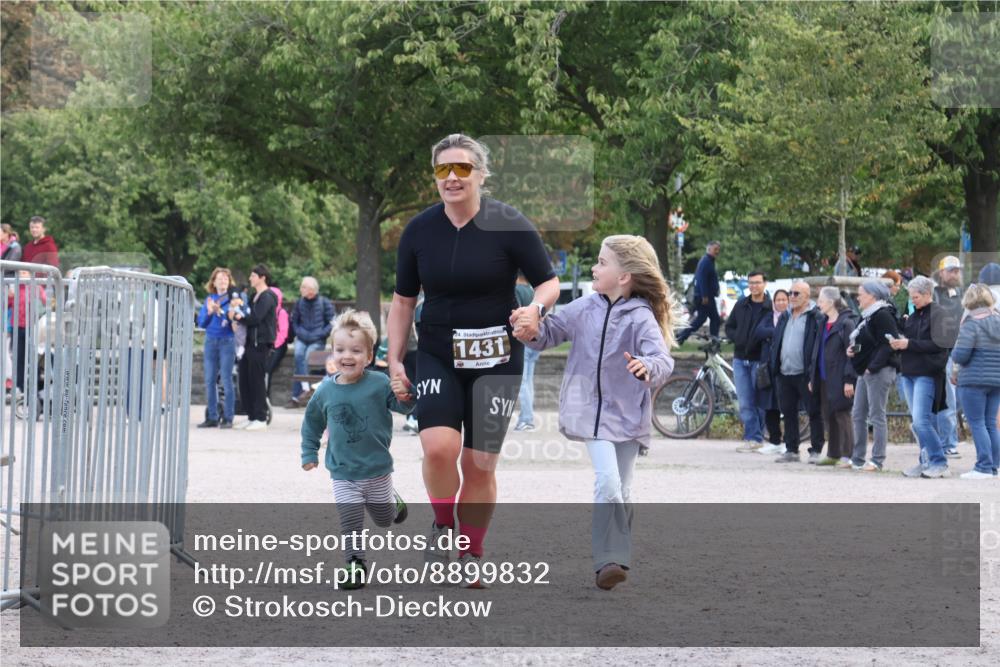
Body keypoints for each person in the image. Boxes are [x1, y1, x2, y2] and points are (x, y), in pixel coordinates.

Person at [386, 133, 559, 585]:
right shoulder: (420, 231)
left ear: (481, 174)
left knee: (479, 464)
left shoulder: (510, 223)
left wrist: (534, 310)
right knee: (439, 449)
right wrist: (396, 361)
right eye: (443, 170)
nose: (452, 178)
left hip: (497, 358)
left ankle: (472, 551)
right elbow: (404, 301)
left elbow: (549, 283)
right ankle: (443, 525)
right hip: (439, 352)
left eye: (462, 168)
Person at [515, 234, 674, 590]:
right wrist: (529, 328)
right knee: (608, 482)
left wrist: (647, 366)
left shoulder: (641, 316)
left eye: (602, 262)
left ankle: (616, 557)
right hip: (591, 415)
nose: (594, 266)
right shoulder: (584, 307)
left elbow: (663, 360)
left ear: (625, 276)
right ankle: (608, 560)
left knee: (624, 488)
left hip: (629, 415)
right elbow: (550, 333)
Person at [301, 309, 413, 587]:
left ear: (370, 356)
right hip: (343, 471)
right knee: (350, 519)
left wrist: (406, 393)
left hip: (377, 470)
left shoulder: (379, 383)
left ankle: (392, 501)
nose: (347, 356)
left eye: (355, 350)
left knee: (385, 520)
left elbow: (404, 406)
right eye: (339, 350)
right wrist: (309, 452)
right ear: (332, 353)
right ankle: (355, 564)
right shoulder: (325, 391)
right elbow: (312, 422)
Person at [890, 276, 950, 478]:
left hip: (927, 374)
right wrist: (899, 343)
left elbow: (940, 345)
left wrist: (908, 344)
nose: (912, 300)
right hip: (909, 372)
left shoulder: (940, 314)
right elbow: (911, 340)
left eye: (915, 297)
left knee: (920, 421)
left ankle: (939, 461)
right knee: (921, 421)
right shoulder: (914, 315)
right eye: (911, 297)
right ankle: (925, 461)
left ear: (927, 295)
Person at [847, 280, 900, 472]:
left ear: (873, 296)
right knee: (858, 414)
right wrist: (853, 350)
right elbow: (867, 343)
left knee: (877, 415)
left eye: (861, 293)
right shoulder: (867, 317)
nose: (858, 297)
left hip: (879, 370)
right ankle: (858, 458)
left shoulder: (883, 315)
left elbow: (888, 344)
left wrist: (872, 367)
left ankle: (877, 460)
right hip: (865, 370)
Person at [771, 281, 826, 463]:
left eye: (796, 294)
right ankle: (791, 449)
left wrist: (814, 373)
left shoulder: (815, 316)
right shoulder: (785, 316)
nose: (792, 297)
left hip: (805, 373)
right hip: (785, 373)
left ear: (807, 296)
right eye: (790, 293)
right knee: (788, 412)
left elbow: (818, 346)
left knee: (814, 411)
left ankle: (816, 450)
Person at [950, 285, 1000, 479]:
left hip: (973, 380)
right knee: (990, 424)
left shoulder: (971, 324)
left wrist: (954, 354)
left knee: (977, 423)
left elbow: (961, 355)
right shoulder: (998, 320)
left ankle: (983, 467)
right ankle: (995, 465)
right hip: (997, 380)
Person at [811, 286, 858, 467]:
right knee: (828, 414)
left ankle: (848, 455)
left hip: (840, 377)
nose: (818, 304)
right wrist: (812, 377)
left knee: (842, 414)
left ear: (831, 303)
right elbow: (817, 351)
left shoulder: (846, 323)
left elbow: (851, 353)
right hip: (824, 376)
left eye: (821, 301)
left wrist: (849, 379)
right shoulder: (823, 322)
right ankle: (833, 453)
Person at [725, 271, 772, 452]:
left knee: (760, 401)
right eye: (751, 283)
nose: (754, 286)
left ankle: (756, 437)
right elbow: (729, 327)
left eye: (757, 283)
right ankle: (753, 438)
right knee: (745, 401)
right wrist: (739, 338)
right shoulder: (741, 304)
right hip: (740, 359)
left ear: (764, 284)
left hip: (760, 359)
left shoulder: (770, 307)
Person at [231, 264, 277, 431]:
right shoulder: (253, 296)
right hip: (249, 343)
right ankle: (251, 416)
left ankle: (261, 417)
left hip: (261, 344)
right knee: (245, 380)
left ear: (262, 277)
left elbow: (256, 317)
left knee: (257, 381)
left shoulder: (268, 296)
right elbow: (248, 314)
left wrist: (238, 317)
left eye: (253, 276)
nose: (250, 278)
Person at [196, 267, 237, 429]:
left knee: (226, 380)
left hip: (227, 341)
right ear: (213, 282)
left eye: (225, 278)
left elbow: (234, 320)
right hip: (211, 341)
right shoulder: (209, 299)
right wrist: (211, 311)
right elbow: (202, 323)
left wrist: (219, 310)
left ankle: (228, 417)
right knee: (209, 380)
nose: (222, 281)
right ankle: (212, 417)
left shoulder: (233, 299)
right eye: (219, 278)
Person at [288, 277, 335, 408]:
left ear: (311, 289)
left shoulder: (324, 302)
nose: (300, 289)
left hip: (317, 340)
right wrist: (300, 333)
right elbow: (294, 322)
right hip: (302, 338)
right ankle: (305, 388)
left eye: (303, 287)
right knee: (298, 355)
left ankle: (297, 394)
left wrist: (320, 334)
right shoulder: (299, 303)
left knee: (308, 356)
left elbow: (331, 322)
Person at [933, 255, 964, 457]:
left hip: (960, 349)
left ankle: (941, 436)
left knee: (958, 398)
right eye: (951, 270)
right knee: (949, 397)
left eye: (957, 270)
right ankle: (949, 442)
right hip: (942, 351)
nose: (954, 274)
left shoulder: (961, 293)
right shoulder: (933, 292)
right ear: (942, 272)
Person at [754, 289, 790, 454]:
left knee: (788, 406)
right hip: (769, 369)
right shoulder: (769, 317)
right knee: (770, 406)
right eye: (778, 300)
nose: (781, 303)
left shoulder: (792, 317)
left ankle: (790, 443)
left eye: (784, 300)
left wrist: (772, 336)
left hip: (787, 369)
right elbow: (759, 332)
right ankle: (775, 441)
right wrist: (777, 333)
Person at [6, 270, 46, 392]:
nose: (21, 274)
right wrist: (8, 296)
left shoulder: (36, 287)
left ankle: (36, 384)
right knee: (19, 357)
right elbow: (6, 305)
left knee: (35, 356)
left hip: (33, 327)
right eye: (20, 272)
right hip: (17, 327)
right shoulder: (15, 289)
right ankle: (20, 386)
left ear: (30, 274)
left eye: (24, 272)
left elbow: (45, 302)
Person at [676, 241, 721, 345]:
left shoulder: (709, 261)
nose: (717, 252)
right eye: (715, 249)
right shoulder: (706, 262)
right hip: (705, 297)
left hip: (706, 296)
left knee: (704, 319)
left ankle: (681, 336)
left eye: (718, 249)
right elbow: (702, 280)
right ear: (709, 249)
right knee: (713, 319)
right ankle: (714, 341)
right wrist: (704, 295)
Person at [514, 274, 540, 431]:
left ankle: (526, 419)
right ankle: (528, 417)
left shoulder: (516, 290)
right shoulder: (532, 291)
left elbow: (516, 315)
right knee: (528, 380)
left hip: (523, 340)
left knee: (522, 382)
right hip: (535, 341)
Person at [266, 285, 290, 399]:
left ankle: (266, 397)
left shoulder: (281, 312)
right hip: (266, 344)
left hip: (278, 345)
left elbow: (283, 333)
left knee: (268, 369)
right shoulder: (265, 311)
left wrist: (273, 345)